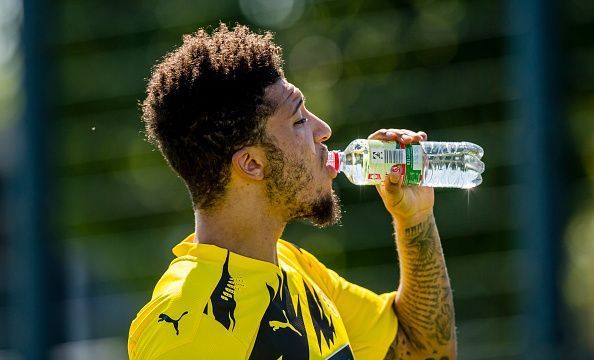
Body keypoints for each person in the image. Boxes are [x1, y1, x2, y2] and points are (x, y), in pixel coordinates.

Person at [128, 24, 456, 360]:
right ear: (252, 163)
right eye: (299, 120)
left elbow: (422, 351)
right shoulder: (188, 336)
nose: (323, 130)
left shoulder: (292, 265)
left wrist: (414, 218)